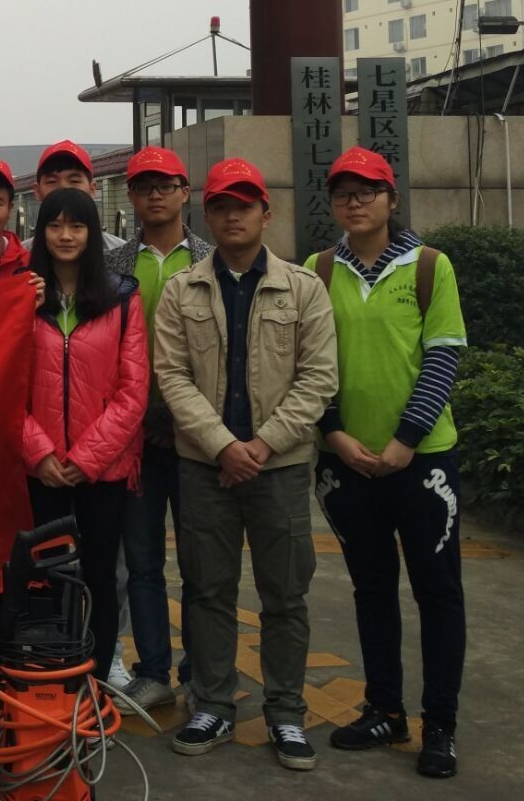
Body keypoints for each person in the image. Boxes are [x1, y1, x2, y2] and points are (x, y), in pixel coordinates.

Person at [155, 159, 337, 772]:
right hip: (204, 467)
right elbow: (172, 376)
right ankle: (212, 704)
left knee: (285, 593)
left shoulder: (303, 288)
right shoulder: (182, 289)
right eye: (221, 205)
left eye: (244, 204)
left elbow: (318, 378)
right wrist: (222, 446)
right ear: (206, 214)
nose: (233, 215)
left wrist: (261, 446)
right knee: (207, 590)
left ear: (266, 212)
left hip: (278, 469)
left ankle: (285, 711)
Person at [309, 147, 467, 780]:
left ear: (391, 199)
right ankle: (384, 709)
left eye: (367, 191)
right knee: (371, 587)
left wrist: (406, 439)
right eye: (343, 193)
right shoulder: (318, 270)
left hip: (422, 462)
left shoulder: (429, 266)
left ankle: (441, 724)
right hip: (344, 461)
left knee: (437, 591)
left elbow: (442, 356)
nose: (355, 202)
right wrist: (334, 433)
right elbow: (308, 361)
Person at [0, 187, 147, 717]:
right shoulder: (20, 295)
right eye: (54, 225)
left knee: (101, 578)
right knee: (44, 578)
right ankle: (46, 684)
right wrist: (40, 454)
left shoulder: (122, 297)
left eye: (77, 226)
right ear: (40, 232)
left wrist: (84, 460)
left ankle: (95, 685)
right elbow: (4, 384)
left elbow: (133, 391)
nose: (65, 235)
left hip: (101, 472)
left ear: (92, 233)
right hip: (39, 471)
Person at [105, 146, 211, 712]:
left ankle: (200, 673)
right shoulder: (114, 266)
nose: (154, 195)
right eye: (144, 186)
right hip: (134, 441)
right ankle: (152, 671)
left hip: (198, 440)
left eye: (165, 185)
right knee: (142, 561)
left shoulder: (211, 260)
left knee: (200, 564)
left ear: (184, 192)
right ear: (131, 195)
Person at [33, 140, 126, 251]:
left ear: (92, 189)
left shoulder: (123, 253)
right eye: (52, 181)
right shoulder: (21, 256)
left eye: (74, 181)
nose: (64, 188)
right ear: (37, 191)